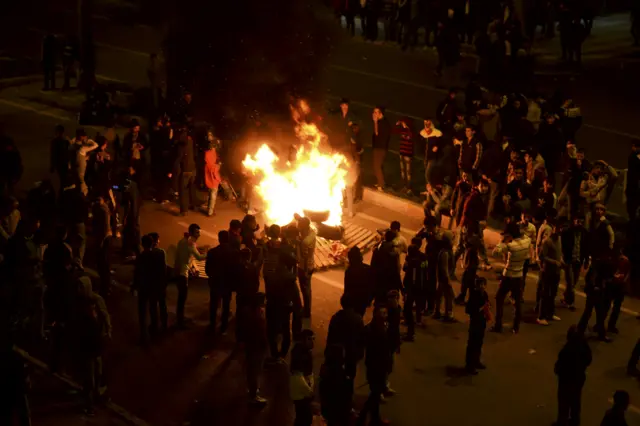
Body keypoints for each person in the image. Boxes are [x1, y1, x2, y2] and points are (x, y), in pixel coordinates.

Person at [578, 203, 614, 342]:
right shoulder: (598, 262)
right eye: (597, 209)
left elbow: (611, 237)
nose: (598, 211)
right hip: (595, 291)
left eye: (601, 209)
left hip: (597, 291)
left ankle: (598, 332)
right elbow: (593, 277)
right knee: (591, 311)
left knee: (597, 313)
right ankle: (585, 331)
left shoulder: (605, 224)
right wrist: (596, 287)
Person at [492, 222, 531, 334]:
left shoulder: (510, 245)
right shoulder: (526, 241)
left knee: (499, 298)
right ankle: (516, 326)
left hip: (508, 275)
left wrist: (503, 241)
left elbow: (495, 253)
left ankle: (498, 325)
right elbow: (526, 236)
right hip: (519, 276)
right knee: (517, 302)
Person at [357, 304, 392, 426]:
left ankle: (375, 419)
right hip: (377, 366)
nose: (385, 316)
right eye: (383, 313)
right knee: (375, 395)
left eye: (386, 313)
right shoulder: (375, 330)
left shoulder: (378, 327)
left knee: (375, 395)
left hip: (376, 365)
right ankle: (362, 418)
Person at [326, 294, 366, 394]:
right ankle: (347, 400)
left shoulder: (336, 317)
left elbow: (331, 337)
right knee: (349, 378)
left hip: (337, 353)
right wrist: (360, 354)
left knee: (337, 376)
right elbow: (361, 339)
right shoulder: (357, 319)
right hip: (351, 354)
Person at [132, 234, 168, 343]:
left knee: (142, 311)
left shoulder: (141, 256)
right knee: (153, 307)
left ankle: (144, 335)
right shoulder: (160, 254)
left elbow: (137, 273)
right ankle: (155, 328)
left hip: (144, 287)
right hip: (155, 286)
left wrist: (134, 286)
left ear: (142, 244)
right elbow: (163, 270)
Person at [554, 325, 592, 426]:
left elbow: (559, 366)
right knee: (575, 403)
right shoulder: (584, 346)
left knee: (564, 405)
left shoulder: (566, 350)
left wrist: (558, 371)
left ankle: (562, 423)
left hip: (566, 381)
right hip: (578, 380)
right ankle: (575, 422)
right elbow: (589, 360)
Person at [237, 292, 268, 405]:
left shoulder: (247, 312)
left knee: (252, 369)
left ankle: (252, 390)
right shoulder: (256, 314)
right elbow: (259, 332)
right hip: (256, 346)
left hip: (252, 345)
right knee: (255, 370)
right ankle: (253, 395)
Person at [174, 224, 207, 329]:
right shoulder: (191, 244)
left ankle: (180, 319)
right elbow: (199, 257)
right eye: (197, 232)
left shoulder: (182, 241)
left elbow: (184, 256)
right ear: (192, 233)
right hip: (183, 275)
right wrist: (209, 253)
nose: (199, 234)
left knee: (181, 298)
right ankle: (180, 322)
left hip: (178, 272)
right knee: (182, 299)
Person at [538, 220, 564, 326]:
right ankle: (541, 316)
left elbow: (559, 253)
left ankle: (550, 313)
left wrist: (561, 260)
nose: (559, 230)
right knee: (545, 293)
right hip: (547, 271)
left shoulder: (560, 239)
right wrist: (554, 262)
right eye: (558, 228)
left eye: (561, 228)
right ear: (553, 228)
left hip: (556, 272)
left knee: (553, 293)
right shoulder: (547, 241)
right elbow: (542, 256)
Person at [560, 215, 588, 311]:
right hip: (569, 260)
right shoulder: (567, 232)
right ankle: (571, 302)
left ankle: (565, 296)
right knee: (571, 282)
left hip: (578, 260)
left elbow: (586, 248)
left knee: (574, 282)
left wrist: (586, 261)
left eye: (581, 221)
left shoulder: (584, 233)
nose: (579, 223)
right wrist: (562, 257)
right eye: (578, 220)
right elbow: (562, 245)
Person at [319, 344, 353, 426]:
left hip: (328, 409)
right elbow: (345, 395)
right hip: (339, 410)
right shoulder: (339, 373)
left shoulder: (325, 370)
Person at [402, 244, 428, 341]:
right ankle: (418, 320)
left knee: (407, 308)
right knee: (418, 304)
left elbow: (406, 270)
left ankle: (410, 331)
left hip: (413, 288)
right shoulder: (423, 258)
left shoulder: (412, 262)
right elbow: (426, 268)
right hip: (421, 286)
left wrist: (406, 288)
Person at [290, 329, 315, 426]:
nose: (312, 342)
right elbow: (298, 376)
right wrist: (309, 391)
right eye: (309, 339)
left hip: (301, 392)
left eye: (313, 339)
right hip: (301, 393)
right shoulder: (300, 354)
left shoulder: (303, 351)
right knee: (304, 417)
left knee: (303, 416)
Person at [465, 277, 490, 375]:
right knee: (472, 344)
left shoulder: (485, 294)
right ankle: (469, 365)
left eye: (483, 284)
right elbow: (469, 310)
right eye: (480, 285)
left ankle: (476, 361)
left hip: (481, 322)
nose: (482, 287)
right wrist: (481, 308)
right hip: (475, 322)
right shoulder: (474, 295)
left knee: (479, 343)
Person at [603, 247, 630, 334]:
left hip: (615, 284)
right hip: (616, 284)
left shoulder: (618, 259)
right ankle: (609, 325)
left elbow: (627, 272)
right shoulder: (622, 259)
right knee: (613, 306)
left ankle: (603, 324)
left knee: (609, 305)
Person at [172, 128, 198, 216]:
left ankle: (184, 211)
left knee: (182, 190)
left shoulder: (181, 146)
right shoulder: (191, 142)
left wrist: (173, 170)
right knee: (191, 188)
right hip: (193, 168)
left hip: (185, 170)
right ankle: (193, 205)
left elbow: (178, 158)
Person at [344, 246, 374, 316]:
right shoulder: (367, 269)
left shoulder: (349, 270)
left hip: (352, 301)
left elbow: (347, 288)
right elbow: (372, 286)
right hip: (362, 301)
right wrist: (369, 299)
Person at [92, 196, 112, 297]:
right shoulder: (99, 208)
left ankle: (105, 288)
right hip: (102, 238)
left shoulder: (103, 210)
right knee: (102, 264)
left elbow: (105, 227)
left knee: (103, 264)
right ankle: (105, 286)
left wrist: (101, 242)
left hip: (103, 239)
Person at [69, 128, 98, 196]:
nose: (85, 137)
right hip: (80, 171)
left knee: (77, 183)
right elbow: (96, 145)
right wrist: (88, 140)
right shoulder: (82, 148)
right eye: (84, 136)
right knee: (82, 184)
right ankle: (83, 197)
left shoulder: (71, 145)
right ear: (81, 136)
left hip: (74, 169)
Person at [297, 217, 316, 318]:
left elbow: (305, 257)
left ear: (304, 227)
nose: (298, 226)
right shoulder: (312, 232)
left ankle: (307, 312)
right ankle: (307, 309)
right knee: (308, 288)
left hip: (304, 267)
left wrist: (304, 271)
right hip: (311, 265)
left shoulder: (305, 242)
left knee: (305, 289)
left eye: (299, 225)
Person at [455, 235, 479, 305]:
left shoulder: (470, 250)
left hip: (470, 271)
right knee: (470, 286)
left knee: (467, 286)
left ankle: (464, 299)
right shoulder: (472, 251)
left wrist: (466, 267)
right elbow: (472, 262)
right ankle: (466, 300)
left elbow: (468, 263)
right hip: (471, 271)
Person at [371, 106, 391, 191]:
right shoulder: (382, 122)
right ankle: (380, 182)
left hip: (380, 148)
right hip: (378, 147)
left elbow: (376, 133)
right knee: (378, 166)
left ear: (380, 113)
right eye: (374, 112)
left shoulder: (383, 123)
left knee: (377, 166)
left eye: (376, 112)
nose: (374, 114)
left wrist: (375, 122)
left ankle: (381, 185)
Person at [394, 117, 414, 193]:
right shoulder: (402, 130)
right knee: (402, 171)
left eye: (404, 123)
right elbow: (394, 131)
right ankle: (404, 186)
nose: (403, 124)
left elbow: (410, 136)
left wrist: (406, 126)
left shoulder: (410, 131)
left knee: (408, 172)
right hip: (402, 153)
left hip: (408, 154)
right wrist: (397, 125)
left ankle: (409, 188)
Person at [203, 138, 222, 216]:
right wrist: (219, 166)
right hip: (213, 178)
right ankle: (210, 212)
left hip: (208, 177)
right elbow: (214, 169)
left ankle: (208, 209)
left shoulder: (206, 153)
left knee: (209, 193)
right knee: (213, 196)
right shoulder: (214, 154)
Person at [50, 125, 70, 190]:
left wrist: (52, 166)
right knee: (63, 180)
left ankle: (62, 194)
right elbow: (68, 153)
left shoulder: (55, 141)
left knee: (61, 181)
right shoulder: (65, 141)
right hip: (64, 163)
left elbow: (53, 154)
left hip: (60, 164)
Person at [626, 141, 640, 221]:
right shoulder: (633, 157)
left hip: (633, 188)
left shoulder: (633, 156)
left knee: (632, 208)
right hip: (633, 188)